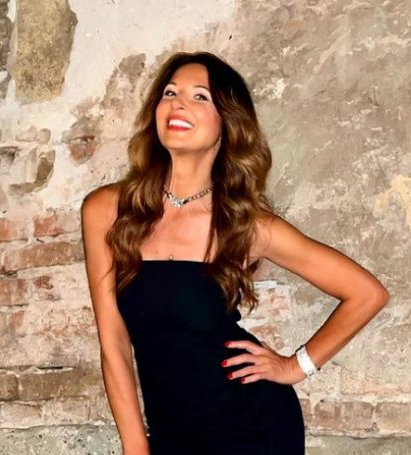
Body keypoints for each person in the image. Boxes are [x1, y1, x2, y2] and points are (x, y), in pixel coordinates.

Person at [80, 51, 390, 455]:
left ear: (227, 123)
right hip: (172, 431)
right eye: (170, 93)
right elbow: (114, 341)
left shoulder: (246, 224)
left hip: (252, 428)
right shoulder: (107, 210)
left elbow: (367, 294)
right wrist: (135, 444)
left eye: (200, 97)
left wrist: (295, 366)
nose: (178, 104)